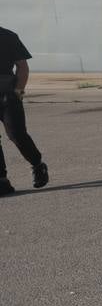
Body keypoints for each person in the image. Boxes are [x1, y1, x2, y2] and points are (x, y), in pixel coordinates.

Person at [0, 25, 48, 196]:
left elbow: (22, 66)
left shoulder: (8, 36)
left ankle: (37, 164)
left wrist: (18, 91)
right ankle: (2, 181)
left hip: (8, 96)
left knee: (17, 135)